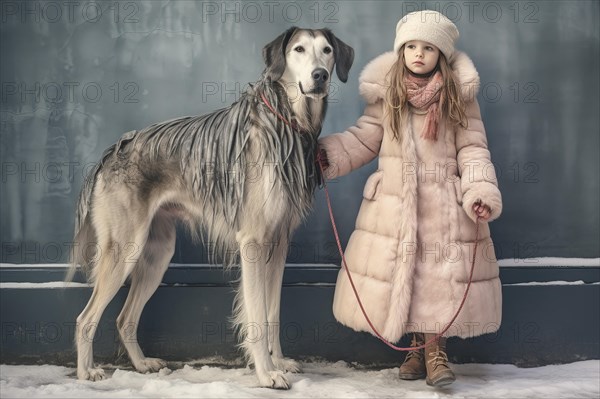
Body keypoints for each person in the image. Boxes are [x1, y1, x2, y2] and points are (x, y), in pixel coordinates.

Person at [318, 10, 503, 387]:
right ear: (401, 51)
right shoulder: (388, 96)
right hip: (394, 204)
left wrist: (479, 189)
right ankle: (417, 347)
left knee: (437, 278)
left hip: (444, 207)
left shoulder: (458, 99)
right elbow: (364, 138)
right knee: (409, 276)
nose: (419, 54)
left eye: (428, 48)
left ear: (442, 55)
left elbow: (473, 149)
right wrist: (328, 155)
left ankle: (434, 350)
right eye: (411, 46)